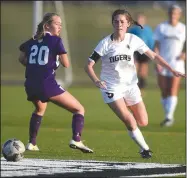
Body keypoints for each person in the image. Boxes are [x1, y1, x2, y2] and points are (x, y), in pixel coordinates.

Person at [84, 9, 185, 158]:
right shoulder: (105, 43)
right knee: (130, 120)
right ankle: (145, 149)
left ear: (128, 24)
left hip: (130, 86)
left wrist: (172, 69)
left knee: (143, 122)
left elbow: (154, 56)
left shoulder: (133, 39)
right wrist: (96, 80)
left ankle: (126, 113)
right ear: (112, 23)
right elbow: (88, 65)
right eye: (116, 21)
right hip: (111, 87)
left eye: (122, 21)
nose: (119, 24)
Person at [18, 12, 93, 153]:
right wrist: (56, 58)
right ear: (47, 25)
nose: (60, 27)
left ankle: (32, 143)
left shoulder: (33, 40)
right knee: (79, 109)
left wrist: (35, 65)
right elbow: (66, 64)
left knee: (40, 109)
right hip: (46, 84)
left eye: (60, 24)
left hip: (30, 85)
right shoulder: (56, 41)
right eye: (57, 24)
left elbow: (21, 58)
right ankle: (76, 140)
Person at [154, 4, 186, 127]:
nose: (173, 15)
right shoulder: (161, 27)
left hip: (177, 63)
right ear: (169, 14)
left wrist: (185, 54)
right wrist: (157, 61)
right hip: (163, 62)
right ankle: (168, 115)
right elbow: (156, 46)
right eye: (171, 13)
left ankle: (169, 117)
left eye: (176, 13)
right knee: (164, 91)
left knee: (173, 89)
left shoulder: (183, 28)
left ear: (179, 15)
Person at [128, 13, 154, 93]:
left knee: (143, 69)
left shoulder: (148, 29)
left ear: (144, 20)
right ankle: (133, 85)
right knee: (134, 67)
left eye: (141, 19)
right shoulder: (133, 29)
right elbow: (128, 40)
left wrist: (151, 50)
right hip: (135, 51)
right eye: (138, 19)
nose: (140, 20)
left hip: (145, 51)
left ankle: (142, 86)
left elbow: (151, 40)